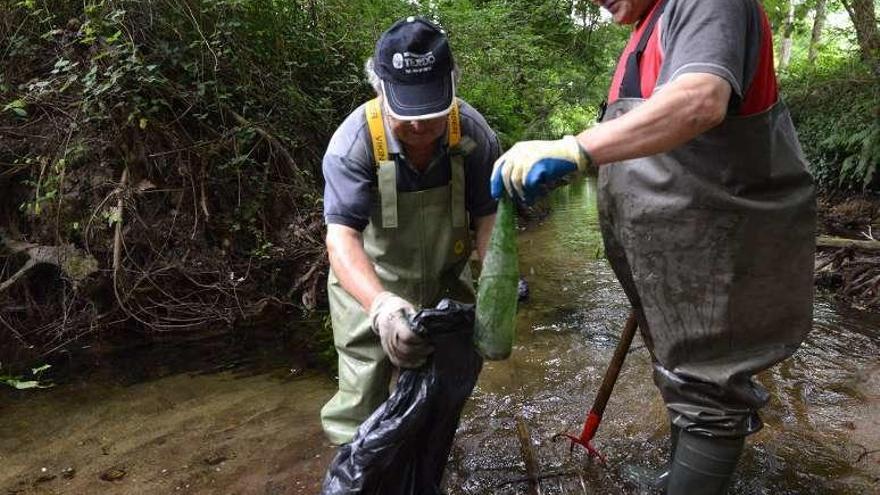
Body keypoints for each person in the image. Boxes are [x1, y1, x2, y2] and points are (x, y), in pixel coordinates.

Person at [491, 0, 816, 493]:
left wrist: (578, 149)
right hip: (674, 256)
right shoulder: (649, 23)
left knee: (710, 387)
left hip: (718, 246)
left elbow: (700, 101)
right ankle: (681, 474)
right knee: (682, 375)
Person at [319, 16, 500, 446]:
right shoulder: (353, 144)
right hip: (370, 283)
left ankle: (429, 466)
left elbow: (489, 220)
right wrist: (380, 306)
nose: (420, 127)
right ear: (380, 90)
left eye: (433, 114)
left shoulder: (474, 137)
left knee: (442, 396)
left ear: (452, 87)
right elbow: (340, 238)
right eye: (407, 114)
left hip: (445, 284)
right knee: (361, 404)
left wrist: (497, 288)